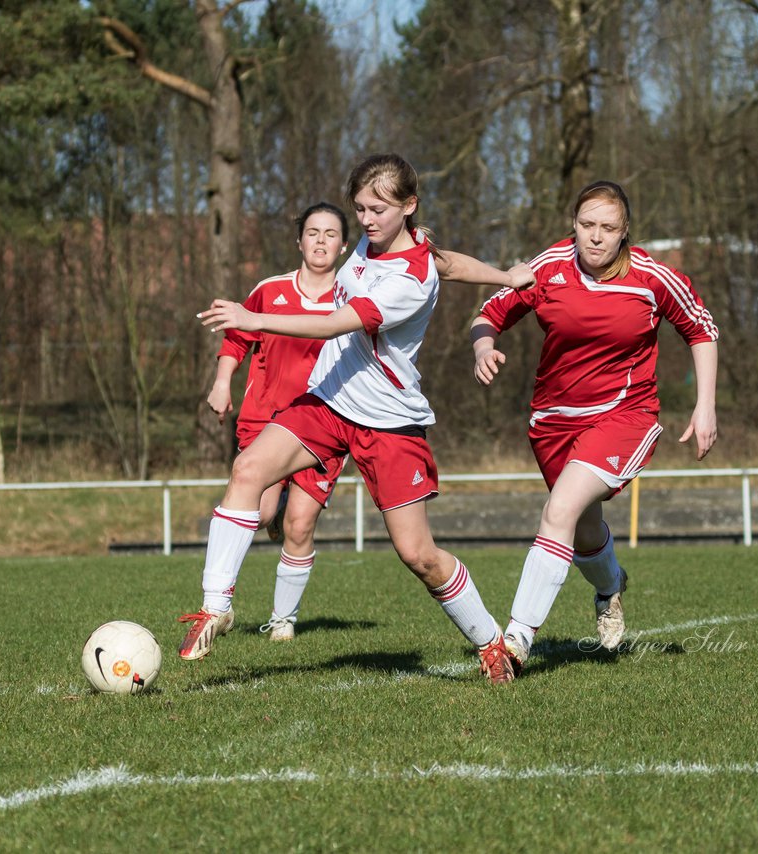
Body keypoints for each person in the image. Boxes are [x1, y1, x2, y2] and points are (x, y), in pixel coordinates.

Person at [190, 152, 534, 685]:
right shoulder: (387, 243)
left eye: (378, 209)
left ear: (409, 205)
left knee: (418, 556)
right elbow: (452, 262)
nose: (367, 220)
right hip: (329, 401)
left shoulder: (408, 279)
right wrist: (507, 275)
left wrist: (250, 317)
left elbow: (333, 325)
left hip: (388, 422)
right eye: (361, 209)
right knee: (247, 470)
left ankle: (491, 641)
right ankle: (216, 608)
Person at [470, 179, 719, 672]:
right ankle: (610, 586)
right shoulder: (547, 268)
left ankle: (515, 643)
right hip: (553, 422)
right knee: (582, 530)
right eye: (587, 225)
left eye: (608, 228)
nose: (596, 237)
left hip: (624, 417)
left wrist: (705, 404)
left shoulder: (651, 277)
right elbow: (489, 312)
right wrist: (482, 346)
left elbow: (700, 328)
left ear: (625, 232)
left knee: (559, 508)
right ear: (574, 225)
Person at [204, 201, 350, 643]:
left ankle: (283, 620)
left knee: (300, 525)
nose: (321, 240)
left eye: (330, 234)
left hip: (325, 424)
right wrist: (222, 381)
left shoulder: (352, 296)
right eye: (312, 232)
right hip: (264, 421)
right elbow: (237, 338)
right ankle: (219, 598)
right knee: (263, 509)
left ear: (343, 246)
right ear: (299, 241)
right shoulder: (270, 290)